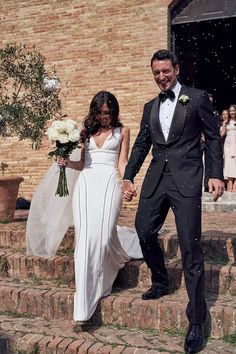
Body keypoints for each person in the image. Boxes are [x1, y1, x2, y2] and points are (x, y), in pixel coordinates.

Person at [122, 50, 224, 354]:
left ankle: (196, 321)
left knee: (190, 246)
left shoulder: (197, 98)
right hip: (157, 179)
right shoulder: (149, 107)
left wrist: (215, 174)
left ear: (176, 69)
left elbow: (213, 138)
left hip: (187, 180)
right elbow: (141, 144)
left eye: (166, 71)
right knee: (142, 230)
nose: (161, 77)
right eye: (156, 73)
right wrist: (128, 177)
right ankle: (161, 279)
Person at [27, 91, 143, 327]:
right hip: (86, 184)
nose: (105, 117)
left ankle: (105, 274)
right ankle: (84, 302)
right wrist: (66, 162)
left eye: (108, 113)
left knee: (102, 237)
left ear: (114, 111)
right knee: (85, 239)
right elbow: (81, 163)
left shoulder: (123, 131)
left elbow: (122, 162)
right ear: (94, 112)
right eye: (100, 113)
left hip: (110, 183)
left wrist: (127, 182)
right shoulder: (85, 133)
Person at [222, 104, 236, 192]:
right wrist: (224, 125)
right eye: (230, 111)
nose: (231, 112)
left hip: (235, 144)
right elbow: (222, 134)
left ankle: (235, 185)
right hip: (227, 145)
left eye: (233, 110)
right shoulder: (227, 121)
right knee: (228, 164)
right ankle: (229, 184)